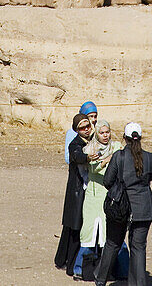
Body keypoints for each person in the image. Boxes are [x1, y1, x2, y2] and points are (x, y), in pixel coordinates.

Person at [95, 122, 152, 286]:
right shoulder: (149, 157)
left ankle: (100, 279)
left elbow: (107, 181)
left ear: (124, 138)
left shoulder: (119, 156)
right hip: (144, 207)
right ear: (140, 138)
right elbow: (150, 177)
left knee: (112, 243)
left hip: (121, 207)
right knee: (138, 247)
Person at [74, 119, 128, 281]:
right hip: (94, 195)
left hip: (112, 196)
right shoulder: (90, 148)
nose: (105, 136)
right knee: (89, 232)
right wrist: (107, 160)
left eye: (107, 132)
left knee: (111, 234)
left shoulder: (117, 147)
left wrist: (111, 158)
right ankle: (81, 268)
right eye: (102, 133)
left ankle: (122, 270)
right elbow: (94, 168)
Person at [56, 113, 96, 276]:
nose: (86, 129)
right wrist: (88, 157)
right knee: (75, 227)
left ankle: (62, 260)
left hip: (86, 191)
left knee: (74, 227)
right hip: (77, 192)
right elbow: (78, 156)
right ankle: (70, 264)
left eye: (88, 126)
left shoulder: (93, 140)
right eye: (82, 127)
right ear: (76, 130)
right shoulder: (75, 143)